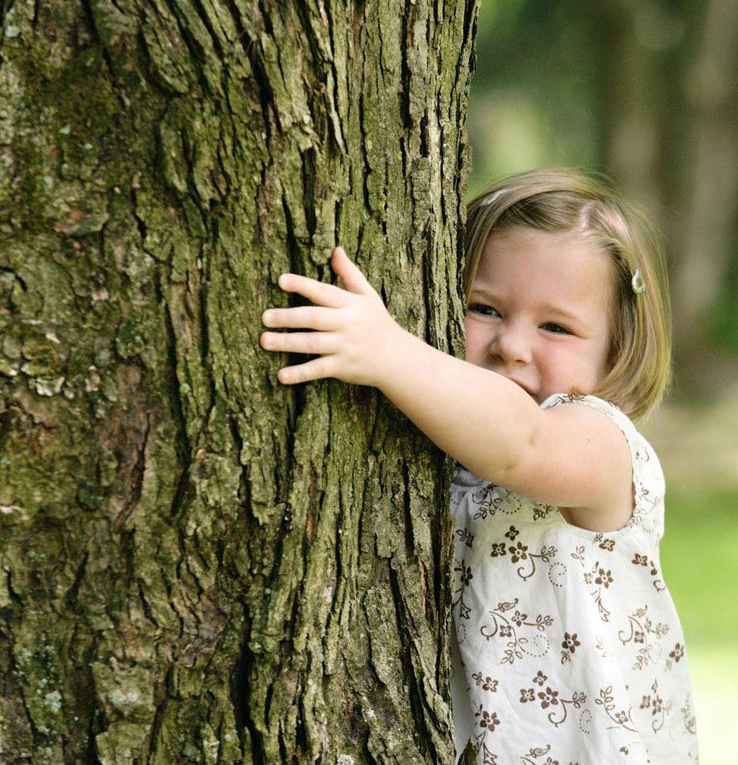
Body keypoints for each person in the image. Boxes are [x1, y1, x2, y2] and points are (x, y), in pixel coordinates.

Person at [259, 168, 698, 764]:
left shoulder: (601, 442)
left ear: (617, 350)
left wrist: (390, 353)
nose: (512, 345)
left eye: (556, 326)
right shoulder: (446, 440)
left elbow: (523, 445)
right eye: (484, 308)